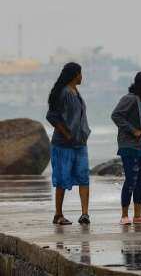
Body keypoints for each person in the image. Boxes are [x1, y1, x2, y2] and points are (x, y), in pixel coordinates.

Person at [45, 62, 92, 225]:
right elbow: (51, 116)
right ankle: (58, 214)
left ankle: (85, 214)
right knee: (62, 179)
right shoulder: (64, 92)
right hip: (63, 144)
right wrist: (66, 134)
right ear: (75, 75)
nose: (82, 76)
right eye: (80, 73)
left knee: (84, 177)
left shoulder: (76, 91)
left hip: (80, 143)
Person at [111, 71, 141, 225]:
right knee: (131, 179)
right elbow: (116, 115)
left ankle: (137, 216)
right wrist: (133, 130)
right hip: (129, 147)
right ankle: (124, 216)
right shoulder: (129, 99)